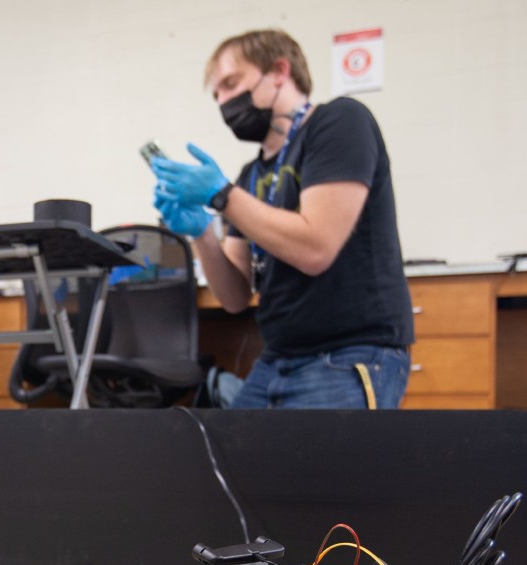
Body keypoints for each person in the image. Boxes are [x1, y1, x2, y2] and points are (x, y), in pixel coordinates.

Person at [151, 29, 414, 410]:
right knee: (234, 467)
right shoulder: (250, 177)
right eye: (217, 94)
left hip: (348, 354)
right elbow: (235, 297)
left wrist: (222, 196)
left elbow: (316, 248)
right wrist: (202, 233)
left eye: (231, 83)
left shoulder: (339, 122)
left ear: (278, 71)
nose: (224, 101)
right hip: (277, 360)